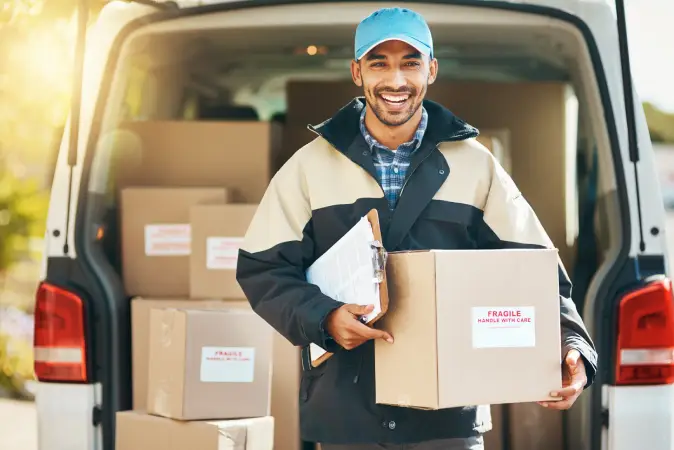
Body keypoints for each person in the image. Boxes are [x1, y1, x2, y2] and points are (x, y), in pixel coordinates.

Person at [236, 7, 598, 450]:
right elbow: (262, 269)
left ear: (432, 69)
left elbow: (534, 271)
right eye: (378, 63)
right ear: (356, 72)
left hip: (447, 418)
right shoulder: (309, 168)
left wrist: (570, 343)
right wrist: (324, 318)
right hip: (347, 419)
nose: (396, 80)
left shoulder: (476, 166)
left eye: (410, 62)